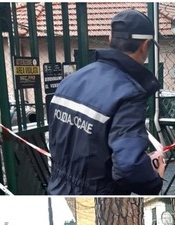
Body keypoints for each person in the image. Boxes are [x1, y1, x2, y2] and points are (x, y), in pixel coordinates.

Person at [47, 9, 165, 195]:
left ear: (110, 38)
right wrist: (153, 179)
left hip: (58, 189)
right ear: (145, 45)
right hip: (99, 195)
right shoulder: (129, 93)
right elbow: (129, 166)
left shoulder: (70, 81)